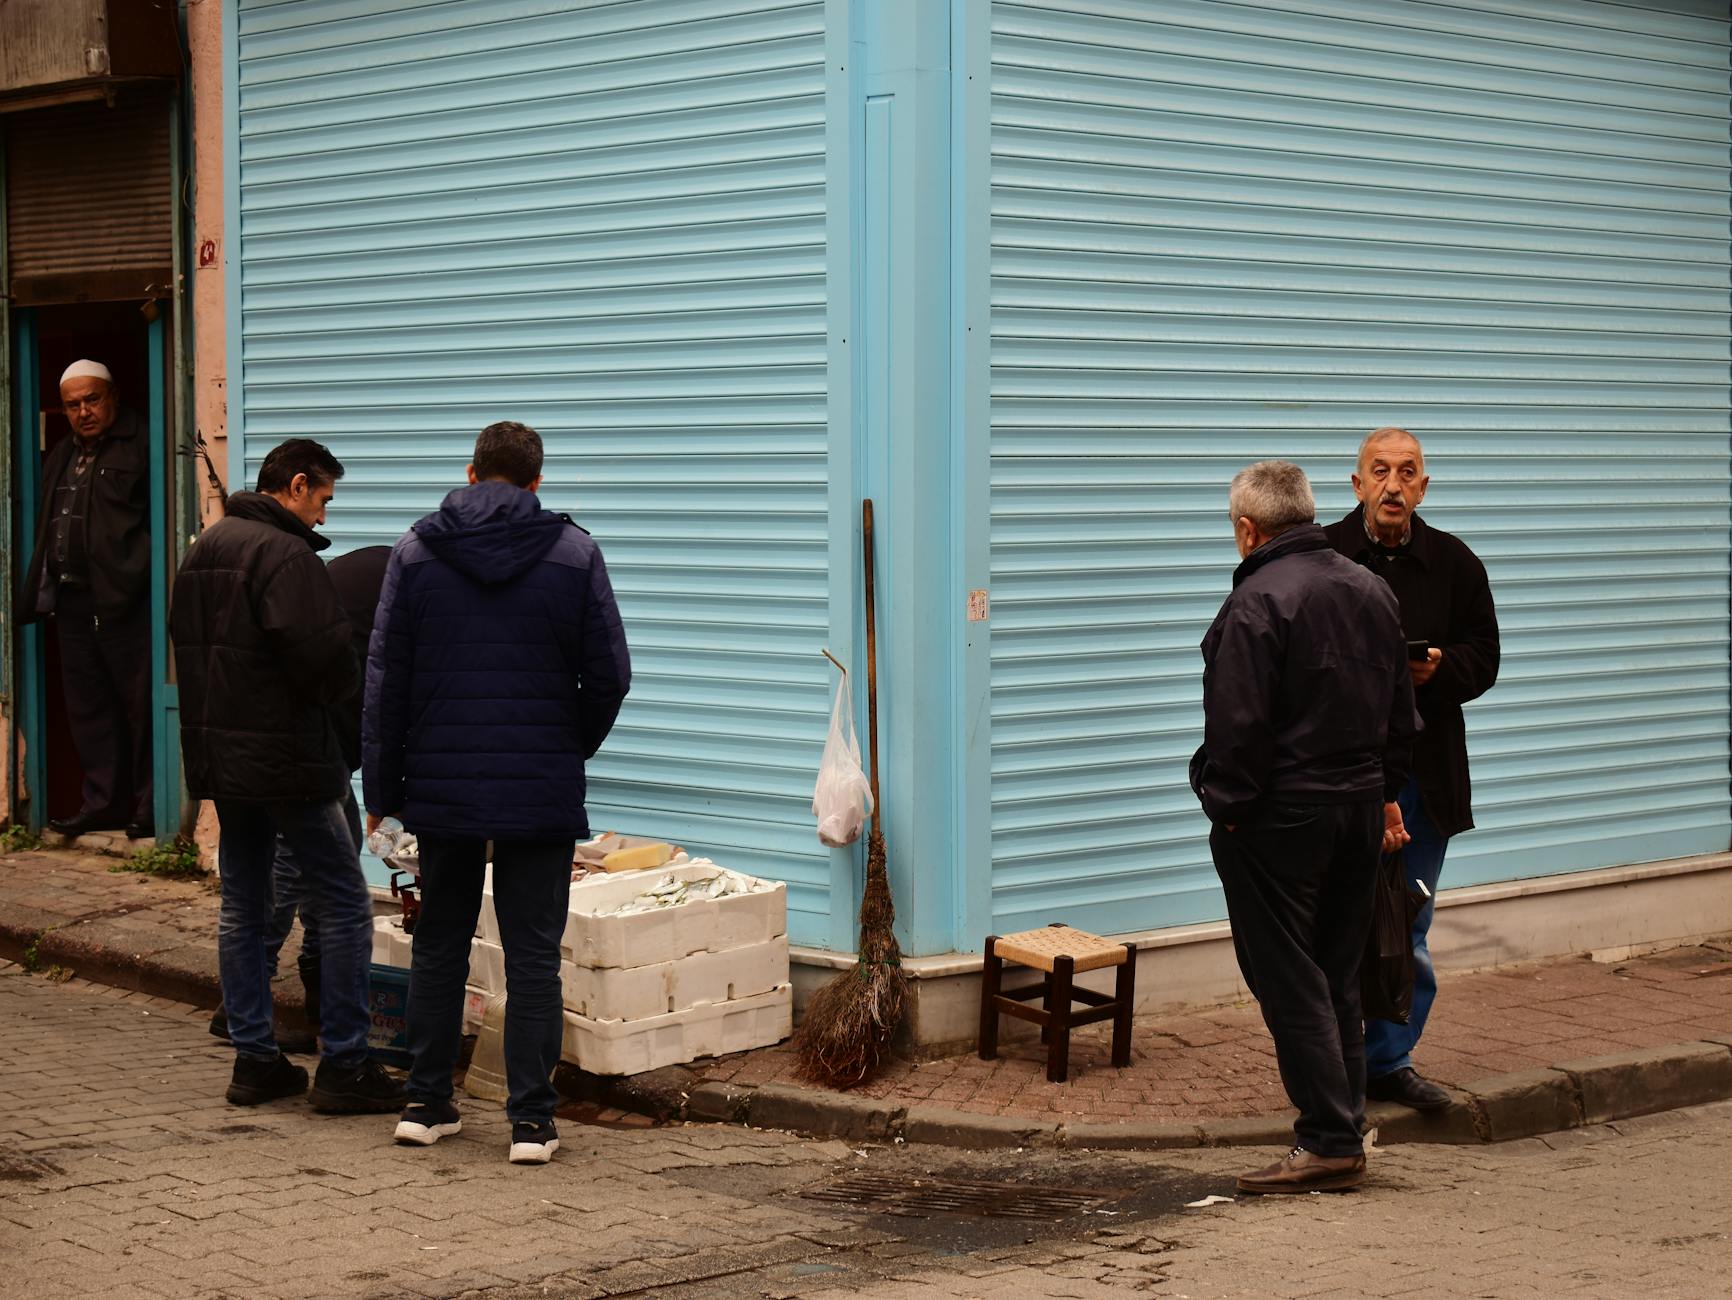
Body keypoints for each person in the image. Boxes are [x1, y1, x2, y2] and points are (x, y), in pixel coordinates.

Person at [364, 421, 630, 1165]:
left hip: (441, 791)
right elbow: (611, 674)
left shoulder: (415, 553)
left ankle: (425, 1103)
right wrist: (564, 746)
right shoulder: (575, 552)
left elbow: (384, 683)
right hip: (539, 792)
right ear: (537, 482)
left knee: (441, 944)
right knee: (534, 956)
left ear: (471, 473)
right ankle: (532, 1124)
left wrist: (383, 790)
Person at [1191, 461, 1418, 1194]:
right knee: (1336, 974)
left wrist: (1225, 808)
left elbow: (1237, 731)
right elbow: (1398, 717)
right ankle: (1343, 1124)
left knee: (1290, 979)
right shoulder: (1371, 589)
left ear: (1248, 530)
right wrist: (1382, 796)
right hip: (1356, 808)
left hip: (1279, 817)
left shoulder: (1257, 604)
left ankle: (1327, 1137)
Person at [171, 439, 405, 1114]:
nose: (324, 517)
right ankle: (345, 1064)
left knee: (244, 903)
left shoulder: (206, 549)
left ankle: (255, 1060)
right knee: (344, 900)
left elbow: (188, 646)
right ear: (297, 485)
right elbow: (326, 659)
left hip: (225, 762)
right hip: (293, 760)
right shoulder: (285, 554)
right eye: (323, 500)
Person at [1324, 428, 1499, 1112]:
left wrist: (1439, 669)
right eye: (1380, 471)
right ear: (1357, 484)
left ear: (1424, 486)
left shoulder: (1455, 564)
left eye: (1408, 472)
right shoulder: (1325, 556)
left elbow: (1485, 657)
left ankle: (1389, 1061)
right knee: (1338, 926)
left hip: (1425, 780)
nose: (1393, 485)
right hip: (1340, 778)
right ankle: (1335, 1067)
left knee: (1409, 926)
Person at [207, 545, 393, 1056]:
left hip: (301, 740)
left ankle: (316, 1006)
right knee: (294, 874)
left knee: (331, 871)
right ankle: (245, 1010)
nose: (325, 520)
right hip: (306, 748)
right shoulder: (414, 581)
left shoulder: (386, 566)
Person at [17, 360, 153, 839]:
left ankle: (146, 807)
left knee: (139, 705)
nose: (84, 411)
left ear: (113, 396)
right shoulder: (60, 453)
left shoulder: (143, 443)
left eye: (92, 399)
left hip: (127, 600)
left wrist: (140, 576)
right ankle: (102, 804)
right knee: (89, 707)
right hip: (72, 599)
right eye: (73, 404)